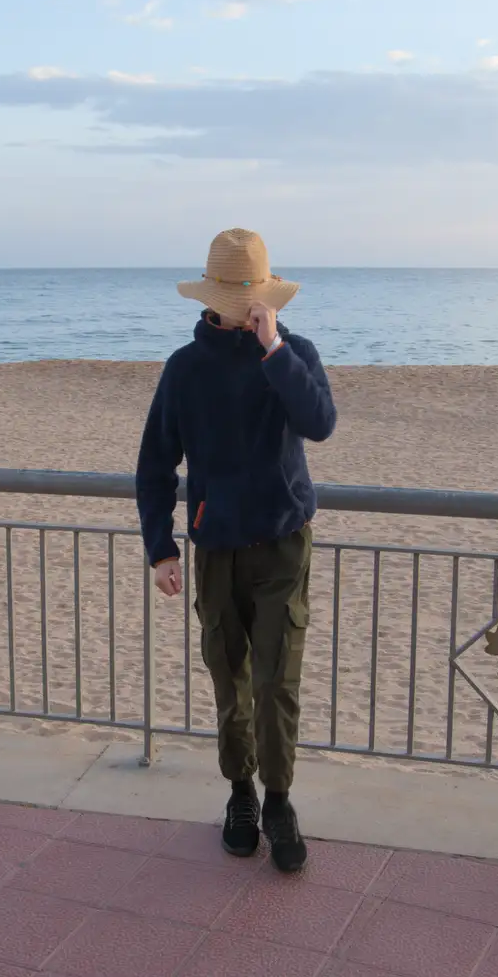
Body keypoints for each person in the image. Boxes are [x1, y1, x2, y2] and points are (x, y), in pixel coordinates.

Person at [136, 228, 337, 873]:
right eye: (230, 297)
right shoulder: (186, 368)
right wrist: (160, 547)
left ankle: (279, 801)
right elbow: (155, 463)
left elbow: (320, 423)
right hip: (216, 548)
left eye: (247, 297)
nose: (238, 308)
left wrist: (274, 348)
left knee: (280, 680)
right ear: (210, 299)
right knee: (231, 681)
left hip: (283, 544)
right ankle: (241, 795)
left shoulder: (293, 351)